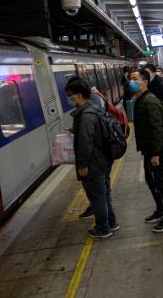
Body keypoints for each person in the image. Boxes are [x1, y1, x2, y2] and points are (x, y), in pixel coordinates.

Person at [65, 79, 118, 238]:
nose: (69, 99)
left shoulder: (85, 115)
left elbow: (85, 142)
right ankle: (111, 223)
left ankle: (103, 228)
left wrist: (82, 164)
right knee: (104, 194)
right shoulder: (93, 109)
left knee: (97, 197)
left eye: (70, 96)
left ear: (79, 95)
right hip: (103, 159)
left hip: (94, 163)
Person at [130, 69, 163, 232]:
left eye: (135, 79)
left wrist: (156, 154)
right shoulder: (140, 99)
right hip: (149, 149)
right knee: (151, 181)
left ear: (144, 81)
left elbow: (157, 129)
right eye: (130, 78)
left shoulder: (149, 101)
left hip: (156, 150)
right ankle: (161, 210)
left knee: (161, 183)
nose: (132, 81)